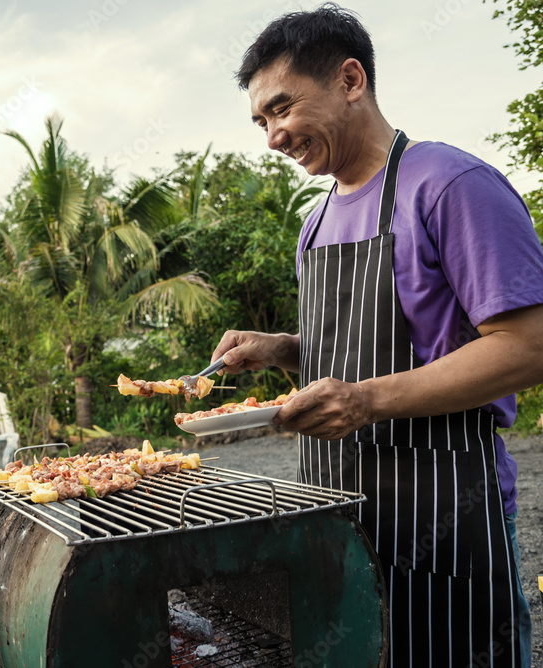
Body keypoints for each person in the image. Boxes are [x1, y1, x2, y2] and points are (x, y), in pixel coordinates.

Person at [216, 6, 543, 665]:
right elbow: (367, 346)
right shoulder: (315, 223)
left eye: (282, 109)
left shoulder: (450, 185)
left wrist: (364, 402)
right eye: (261, 122)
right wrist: (286, 350)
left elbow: (527, 345)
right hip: (336, 518)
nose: (273, 136)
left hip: (448, 515)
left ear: (351, 79)